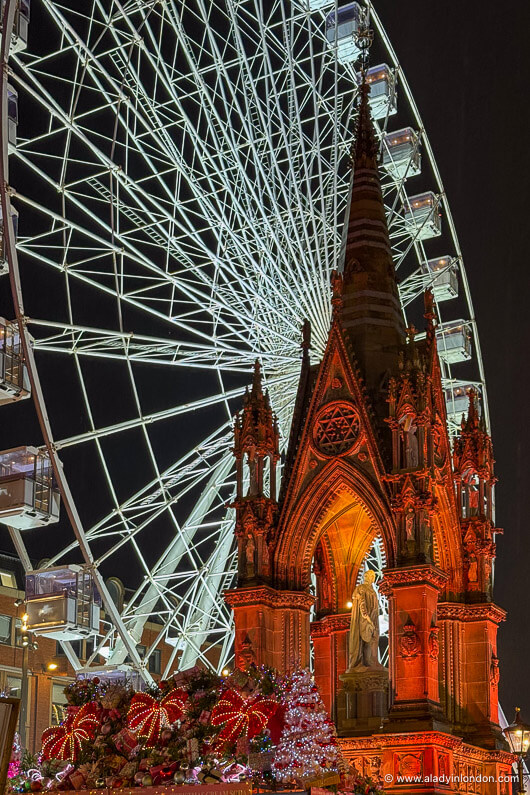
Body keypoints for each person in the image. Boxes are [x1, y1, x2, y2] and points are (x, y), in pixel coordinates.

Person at [347, 569, 382, 671]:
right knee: (366, 638)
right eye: (367, 576)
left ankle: (372, 661)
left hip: (373, 617)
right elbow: (362, 604)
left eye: (371, 576)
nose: (369, 578)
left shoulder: (372, 590)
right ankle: (364, 662)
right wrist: (367, 618)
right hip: (365, 619)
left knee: (372, 639)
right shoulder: (361, 588)